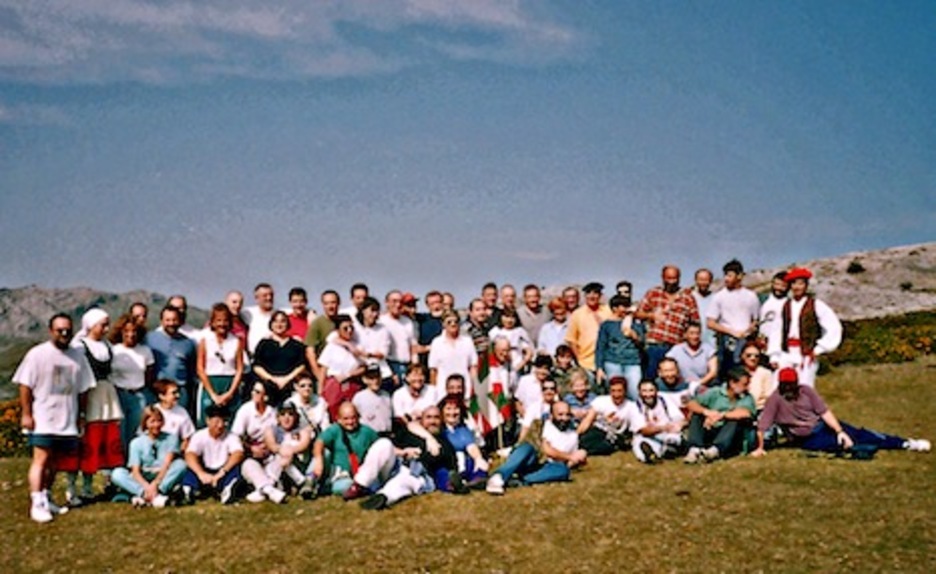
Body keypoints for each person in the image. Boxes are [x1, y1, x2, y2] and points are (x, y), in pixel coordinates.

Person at [15, 313, 94, 523]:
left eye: (68, 330)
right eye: (60, 330)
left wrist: (82, 415)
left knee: (55, 462)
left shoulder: (78, 355)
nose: (65, 334)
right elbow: (24, 385)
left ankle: (47, 497)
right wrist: (26, 414)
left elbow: (84, 389)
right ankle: (37, 502)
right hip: (43, 417)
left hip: (67, 419)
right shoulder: (37, 354)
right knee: (40, 460)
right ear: (51, 331)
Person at [751, 368, 931, 457]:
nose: (789, 388)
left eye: (792, 384)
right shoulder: (775, 399)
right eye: (786, 385)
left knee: (860, 433)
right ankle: (859, 449)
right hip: (805, 438)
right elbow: (763, 425)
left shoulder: (806, 391)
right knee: (834, 445)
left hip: (821, 426)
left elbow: (825, 413)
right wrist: (760, 448)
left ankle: (904, 443)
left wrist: (840, 431)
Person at [62, 308, 124, 505]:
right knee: (81, 442)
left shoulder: (107, 346)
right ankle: (71, 488)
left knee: (96, 442)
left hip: (105, 395)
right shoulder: (79, 346)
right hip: (87, 394)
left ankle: (88, 487)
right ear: (90, 325)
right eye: (102, 325)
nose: (106, 328)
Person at [485, 401, 587, 494]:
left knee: (564, 471)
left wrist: (579, 457)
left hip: (547, 466)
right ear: (551, 415)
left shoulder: (573, 435)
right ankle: (499, 476)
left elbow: (571, 461)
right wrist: (569, 456)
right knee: (527, 448)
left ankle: (517, 479)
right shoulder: (541, 425)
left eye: (567, 415)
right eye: (560, 414)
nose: (564, 418)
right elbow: (546, 450)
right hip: (531, 458)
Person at [767, 267, 843, 388]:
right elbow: (776, 331)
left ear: (806, 285)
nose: (796, 287)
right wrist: (774, 355)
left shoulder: (816, 305)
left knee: (804, 388)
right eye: (793, 283)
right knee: (779, 385)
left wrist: (819, 348)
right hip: (786, 353)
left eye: (800, 283)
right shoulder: (784, 306)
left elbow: (833, 326)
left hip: (805, 354)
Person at [111, 406, 187, 507]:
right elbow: (135, 471)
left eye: (159, 421)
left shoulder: (171, 438)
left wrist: (155, 484)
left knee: (181, 464)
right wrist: (146, 487)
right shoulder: (136, 443)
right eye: (152, 421)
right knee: (117, 473)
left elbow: (167, 465)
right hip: (143, 477)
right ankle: (145, 495)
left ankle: (157, 493)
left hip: (162, 476)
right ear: (145, 423)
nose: (156, 425)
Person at [635, 265, 700, 380]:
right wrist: (652, 315)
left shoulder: (687, 297)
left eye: (674, 278)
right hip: (654, 344)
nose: (671, 282)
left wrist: (687, 338)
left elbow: (695, 321)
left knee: (674, 379)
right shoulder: (653, 293)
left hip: (676, 346)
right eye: (668, 278)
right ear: (663, 278)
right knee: (650, 379)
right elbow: (638, 313)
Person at [683, 367, 755, 464]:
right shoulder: (715, 392)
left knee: (734, 419)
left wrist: (722, 415)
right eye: (745, 384)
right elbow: (692, 404)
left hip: (731, 434)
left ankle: (716, 450)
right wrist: (706, 412)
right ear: (732, 383)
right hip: (711, 428)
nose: (748, 387)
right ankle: (694, 449)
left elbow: (745, 413)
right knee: (697, 415)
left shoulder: (747, 397)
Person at [310, 402, 380, 497]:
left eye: (353, 417)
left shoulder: (367, 431)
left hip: (356, 475)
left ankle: (325, 489)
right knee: (324, 452)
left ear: (358, 417)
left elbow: (382, 445)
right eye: (346, 419)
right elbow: (319, 442)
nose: (350, 422)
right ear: (338, 419)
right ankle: (310, 481)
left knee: (351, 485)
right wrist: (318, 460)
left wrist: (402, 452)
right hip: (337, 474)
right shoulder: (335, 429)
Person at [706, 259, 761, 381]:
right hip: (726, 342)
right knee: (726, 375)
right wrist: (732, 332)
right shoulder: (719, 297)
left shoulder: (751, 296)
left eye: (730, 275)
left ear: (740, 276)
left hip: (745, 341)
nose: (726, 279)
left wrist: (749, 330)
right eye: (725, 275)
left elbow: (755, 320)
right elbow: (710, 322)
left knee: (743, 374)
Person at [243, 404, 307, 504]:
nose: (286, 418)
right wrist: (283, 450)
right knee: (248, 463)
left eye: (290, 414)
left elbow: (303, 445)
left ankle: (264, 490)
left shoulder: (302, 430)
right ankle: (270, 489)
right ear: (278, 417)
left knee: (282, 456)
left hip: (293, 466)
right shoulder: (271, 430)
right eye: (282, 414)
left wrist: (289, 450)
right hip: (274, 467)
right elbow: (272, 445)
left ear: (296, 416)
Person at [109, 312, 155, 452]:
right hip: (119, 395)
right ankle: (119, 464)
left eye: (134, 331)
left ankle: (135, 463)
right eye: (126, 331)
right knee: (119, 431)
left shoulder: (145, 351)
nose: (131, 334)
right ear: (121, 332)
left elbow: (149, 374)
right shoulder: (114, 351)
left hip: (139, 396)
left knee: (137, 431)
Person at [181, 404, 244, 505]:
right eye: (217, 422)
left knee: (235, 471)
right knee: (190, 470)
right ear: (208, 421)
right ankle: (188, 491)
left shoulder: (231, 436)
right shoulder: (199, 435)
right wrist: (200, 473)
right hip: (204, 471)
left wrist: (222, 471)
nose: (220, 425)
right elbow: (190, 454)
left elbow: (238, 453)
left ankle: (227, 492)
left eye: (223, 421)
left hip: (222, 470)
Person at [196, 303, 245, 427]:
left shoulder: (236, 341)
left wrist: (230, 393)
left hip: (230, 384)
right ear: (212, 322)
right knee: (207, 421)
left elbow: (239, 368)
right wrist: (213, 395)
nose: (222, 324)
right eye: (218, 320)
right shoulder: (205, 341)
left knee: (230, 421)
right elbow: (200, 368)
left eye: (225, 320)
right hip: (210, 384)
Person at [253, 311, 313, 407]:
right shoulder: (264, 344)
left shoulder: (296, 344)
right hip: (268, 386)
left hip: (290, 385)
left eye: (283, 321)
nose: (279, 324)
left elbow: (301, 365)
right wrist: (273, 379)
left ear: (288, 324)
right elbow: (256, 366)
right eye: (276, 321)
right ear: (271, 324)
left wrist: (286, 379)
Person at [145, 305, 197, 413]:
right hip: (156, 391)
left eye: (174, 320)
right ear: (161, 321)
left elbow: (191, 370)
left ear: (180, 321)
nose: (171, 323)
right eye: (167, 320)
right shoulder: (149, 338)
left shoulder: (188, 343)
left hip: (180, 392)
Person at [595, 294, 644, 400]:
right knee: (616, 392)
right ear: (615, 308)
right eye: (623, 306)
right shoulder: (607, 325)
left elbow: (642, 343)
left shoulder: (636, 323)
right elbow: (601, 346)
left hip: (632, 362)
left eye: (628, 306)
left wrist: (634, 335)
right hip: (612, 362)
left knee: (634, 392)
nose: (626, 309)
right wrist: (599, 367)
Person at [564, 282, 613, 380]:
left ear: (600, 296)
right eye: (589, 293)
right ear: (585, 296)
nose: (592, 296)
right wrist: (579, 359)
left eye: (595, 293)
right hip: (586, 362)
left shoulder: (608, 311)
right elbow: (571, 340)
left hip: (607, 360)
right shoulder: (577, 314)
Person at [630, 379, 686, 464]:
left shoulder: (664, 399)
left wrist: (678, 425)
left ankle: (670, 448)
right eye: (644, 391)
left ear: (656, 391)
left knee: (673, 437)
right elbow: (644, 431)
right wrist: (663, 428)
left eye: (651, 390)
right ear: (639, 392)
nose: (648, 395)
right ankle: (651, 454)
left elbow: (679, 418)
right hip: (648, 435)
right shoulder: (635, 406)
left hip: (667, 433)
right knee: (640, 444)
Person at [576, 377, 635, 456]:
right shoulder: (601, 401)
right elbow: (587, 421)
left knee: (606, 447)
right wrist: (575, 436)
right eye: (613, 391)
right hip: (597, 430)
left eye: (619, 391)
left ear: (625, 391)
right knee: (584, 439)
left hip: (614, 436)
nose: (616, 395)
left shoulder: (631, 406)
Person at [429, 310, 479, 393]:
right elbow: (433, 370)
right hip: (442, 390)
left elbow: (473, 367)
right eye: (449, 322)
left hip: (465, 389)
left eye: (456, 321)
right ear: (443, 324)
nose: (453, 324)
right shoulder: (437, 343)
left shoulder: (467, 341)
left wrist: (475, 389)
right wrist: (433, 391)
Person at [665, 322, 718, 394]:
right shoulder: (676, 350)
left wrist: (697, 384)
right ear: (685, 335)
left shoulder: (708, 349)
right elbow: (666, 365)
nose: (695, 336)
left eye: (697, 333)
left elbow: (713, 372)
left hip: (702, 385)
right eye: (692, 333)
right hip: (680, 386)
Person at [381, 290, 419, 387]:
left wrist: (415, 369)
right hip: (389, 365)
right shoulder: (381, 321)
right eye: (394, 301)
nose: (397, 305)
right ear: (387, 303)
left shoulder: (408, 322)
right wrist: (389, 372)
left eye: (400, 302)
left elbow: (413, 347)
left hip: (406, 366)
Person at [354, 297, 393, 388]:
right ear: (363, 311)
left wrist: (369, 354)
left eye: (377, 311)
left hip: (381, 373)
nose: (375, 314)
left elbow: (384, 353)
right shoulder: (354, 328)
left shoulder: (383, 329)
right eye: (372, 311)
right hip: (360, 373)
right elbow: (333, 338)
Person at [283, 372, 331, 440]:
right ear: (296, 387)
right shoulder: (289, 403)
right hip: (296, 438)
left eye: (310, 385)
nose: (307, 388)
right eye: (303, 386)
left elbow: (325, 425)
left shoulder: (320, 402)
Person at [153, 379, 196, 452]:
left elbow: (188, 437)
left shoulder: (182, 412)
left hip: (174, 450)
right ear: (162, 396)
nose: (178, 396)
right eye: (173, 393)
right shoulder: (153, 410)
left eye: (177, 392)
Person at [488, 308, 534, 373]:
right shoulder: (495, 331)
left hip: (517, 364)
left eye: (512, 317)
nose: (509, 320)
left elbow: (529, 350)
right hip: (499, 366)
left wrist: (522, 363)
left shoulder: (520, 331)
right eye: (506, 317)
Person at [353, 364, 393, 434]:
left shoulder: (386, 395)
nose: (375, 381)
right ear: (364, 379)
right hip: (368, 434)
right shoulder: (359, 397)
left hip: (386, 433)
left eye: (377, 377)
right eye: (371, 378)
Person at [758, 272, 789, 356]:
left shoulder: (790, 304)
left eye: (783, 286)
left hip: (780, 348)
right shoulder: (762, 299)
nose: (778, 288)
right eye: (776, 284)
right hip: (761, 346)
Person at [740, 341, 775, 412]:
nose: (753, 358)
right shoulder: (736, 372)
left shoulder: (765, 373)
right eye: (749, 355)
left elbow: (769, 396)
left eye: (756, 356)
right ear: (742, 356)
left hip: (759, 410)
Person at [243, 283, 276, 357]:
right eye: (265, 295)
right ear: (256, 298)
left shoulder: (279, 315)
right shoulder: (248, 313)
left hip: (273, 358)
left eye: (271, 295)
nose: (269, 298)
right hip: (253, 358)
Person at [306, 289, 341, 356]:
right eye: (326, 303)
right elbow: (310, 350)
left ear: (338, 303)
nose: (330, 306)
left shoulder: (344, 322)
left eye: (333, 302)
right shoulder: (317, 323)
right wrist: (315, 367)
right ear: (323, 305)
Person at [414, 290, 445, 365]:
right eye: (432, 303)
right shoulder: (422, 319)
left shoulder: (449, 320)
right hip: (425, 361)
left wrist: (428, 348)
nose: (436, 306)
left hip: (443, 359)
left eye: (438, 302)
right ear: (427, 305)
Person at [517, 284, 549, 348]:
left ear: (539, 297)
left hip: (544, 351)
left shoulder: (548, 312)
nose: (533, 300)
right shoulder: (518, 314)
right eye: (529, 297)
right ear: (525, 298)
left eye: (535, 296)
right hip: (527, 352)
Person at [691, 268, 716, 347]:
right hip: (692, 342)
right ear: (696, 280)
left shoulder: (716, 298)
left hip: (712, 343)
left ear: (711, 281)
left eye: (706, 280)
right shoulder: (689, 297)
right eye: (701, 279)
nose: (703, 283)